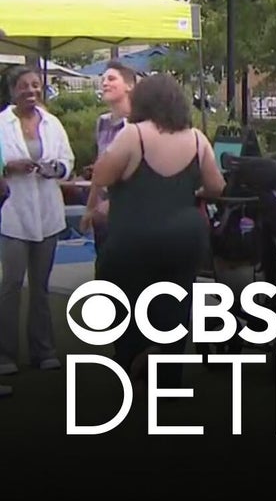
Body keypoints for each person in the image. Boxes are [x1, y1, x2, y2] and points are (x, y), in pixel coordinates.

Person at [92, 73, 226, 386]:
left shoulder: (134, 135)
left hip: (134, 235)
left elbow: (103, 176)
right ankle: (168, 375)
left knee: (125, 300)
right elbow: (217, 187)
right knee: (175, 303)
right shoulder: (197, 139)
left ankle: (133, 362)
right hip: (185, 236)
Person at [0, 67, 74, 378]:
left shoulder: (52, 123)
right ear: (12, 91)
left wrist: (56, 169)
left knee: (41, 287)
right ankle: (5, 354)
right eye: (24, 86)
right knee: (11, 285)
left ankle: (43, 350)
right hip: (14, 214)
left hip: (47, 213)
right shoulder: (2, 124)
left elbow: (68, 161)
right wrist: (8, 166)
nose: (31, 91)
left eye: (35, 85)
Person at [81, 60, 137, 260]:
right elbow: (100, 169)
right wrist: (90, 208)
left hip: (130, 211)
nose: (105, 83)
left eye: (111, 79)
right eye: (103, 79)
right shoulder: (102, 122)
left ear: (129, 85)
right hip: (103, 212)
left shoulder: (137, 124)